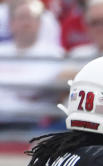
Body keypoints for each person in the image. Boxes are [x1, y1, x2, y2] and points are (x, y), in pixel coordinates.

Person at [0, 0, 64, 129]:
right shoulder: (2, 51)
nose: (26, 23)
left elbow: (31, 89)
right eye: (21, 18)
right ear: (11, 23)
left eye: (30, 18)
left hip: (33, 124)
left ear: (39, 23)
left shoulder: (53, 54)